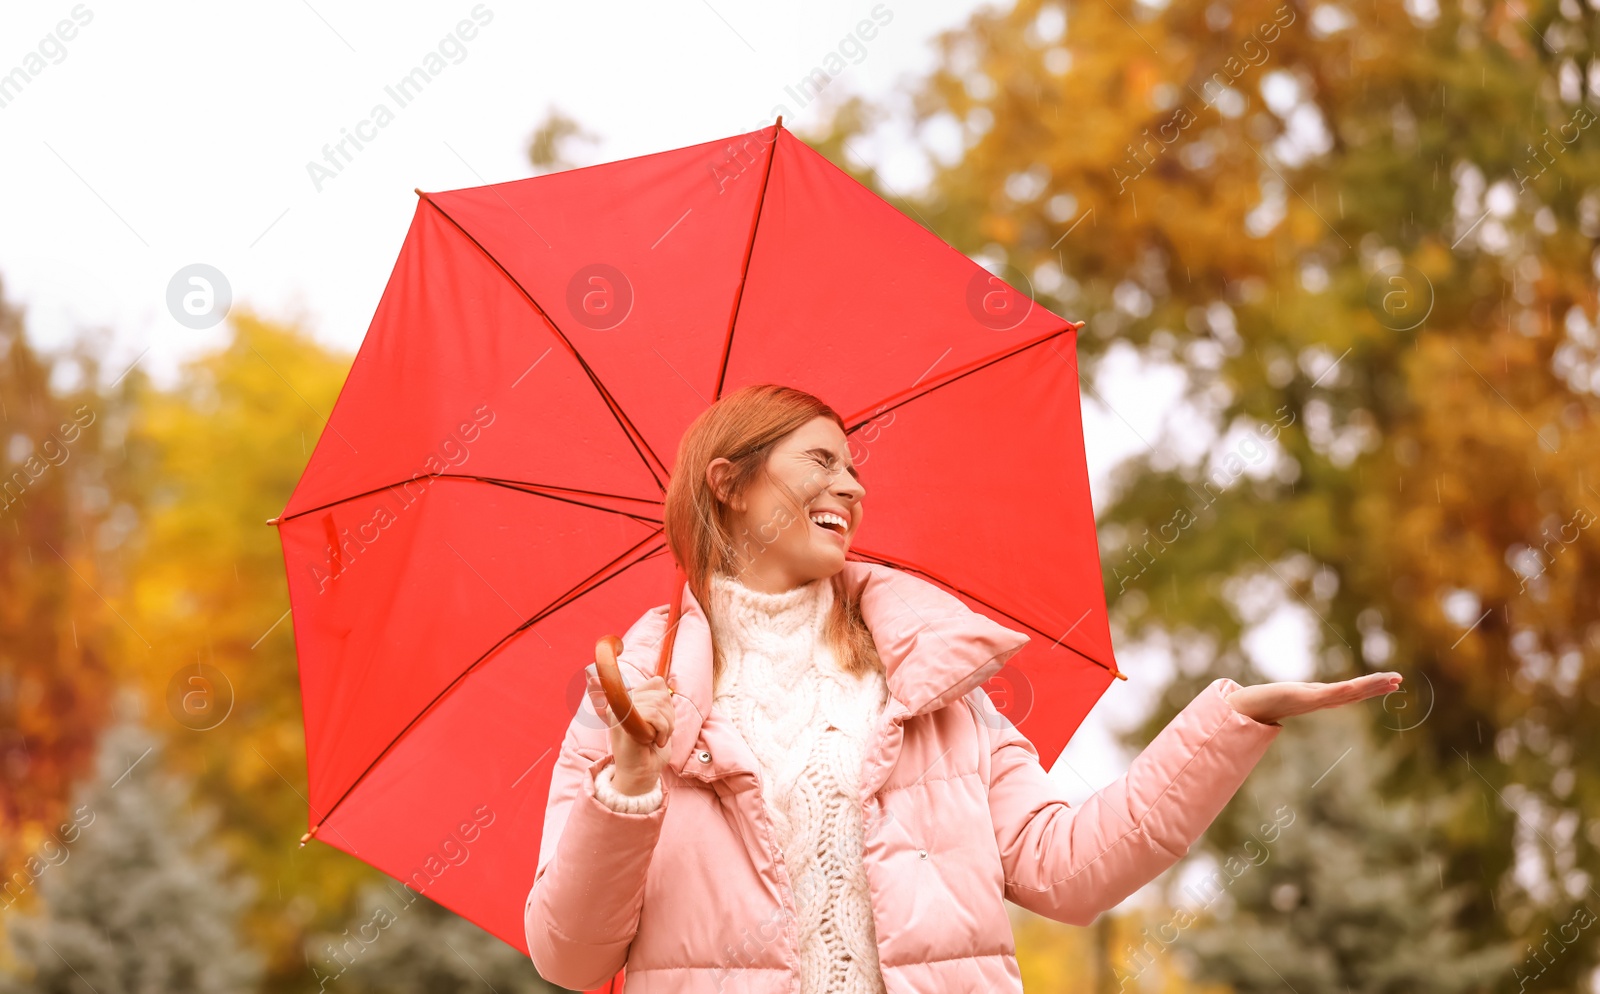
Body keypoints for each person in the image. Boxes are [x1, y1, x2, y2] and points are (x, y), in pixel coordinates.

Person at [525, 384, 1401, 993]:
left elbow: (1067, 870)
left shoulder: (928, 687)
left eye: (855, 468)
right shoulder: (633, 706)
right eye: (820, 460)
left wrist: (1232, 719)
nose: (851, 487)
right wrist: (633, 778)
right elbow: (570, 954)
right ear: (730, 484)